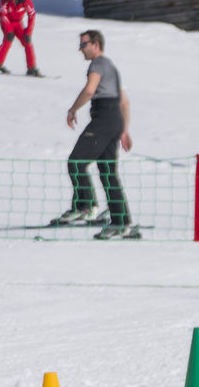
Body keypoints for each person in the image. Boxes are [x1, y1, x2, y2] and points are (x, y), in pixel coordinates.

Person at [51, 30, 136, 239]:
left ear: (96, 44)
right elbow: (124, 102)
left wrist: (72, 110)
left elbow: (90, 90)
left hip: (104, 119)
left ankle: (85, 207)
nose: (80, 49)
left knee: (75, 162)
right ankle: (121, 221)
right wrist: (123, 129)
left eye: (84, 45)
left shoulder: (97, 64)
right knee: (108, 172)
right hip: (114, 120)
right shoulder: (112, 67)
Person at [0, 0, 39, 76]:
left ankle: (31, 68)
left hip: (18, 24)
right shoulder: (4, 0)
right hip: (7, 22)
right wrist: (8, 30)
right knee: (7, 40)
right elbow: (3, 15)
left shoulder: (26, 0)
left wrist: (28, 31)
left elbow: (31, 15)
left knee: (27, 43)